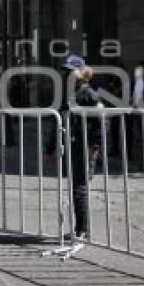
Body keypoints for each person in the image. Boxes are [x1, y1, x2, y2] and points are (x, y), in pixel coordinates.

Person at [49, 54, 106, 241]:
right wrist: (49, 147)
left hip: (85, 145)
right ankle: (80, 228)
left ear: (80, 72)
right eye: (64, 72)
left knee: (80, 188)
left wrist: (95, 145)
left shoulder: (88, 93)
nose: (66, 75)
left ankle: (82, 230)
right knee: (76, 187)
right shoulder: (68, 93)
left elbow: (101, 121)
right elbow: (57, 118)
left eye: (69, 71)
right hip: (73, 143)